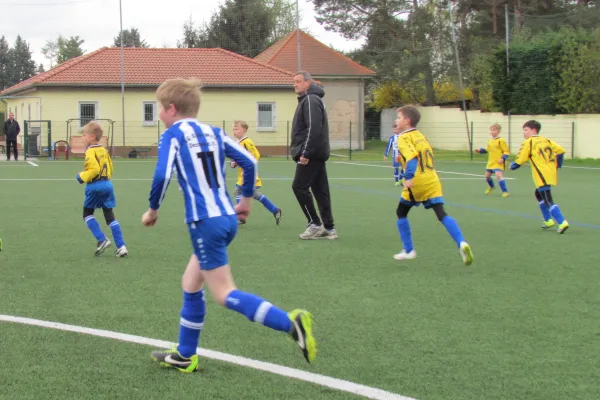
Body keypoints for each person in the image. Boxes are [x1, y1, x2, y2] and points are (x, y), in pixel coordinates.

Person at [143, 78, 316, 372]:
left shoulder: (173, 135)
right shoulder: (213, 132)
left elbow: (162, 176)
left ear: (171, 109)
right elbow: (249, 161)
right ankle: (185, 354)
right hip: (226, 217)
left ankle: (290, 323)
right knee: (191, 282)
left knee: (223, 293)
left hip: (205, 222)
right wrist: (246, 202)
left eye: (160, 109)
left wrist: (153, 209)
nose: (159, 115)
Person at [393, 105, 474, 266]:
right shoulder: (421, 136)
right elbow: (421, 155)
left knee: (401, 212)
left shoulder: (403, 137)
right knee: (441, 213)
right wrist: (401, 159)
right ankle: (461, 243)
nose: (396, 121)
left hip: (417, 180)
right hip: (432, 179)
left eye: (399, 118)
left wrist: (408, 176)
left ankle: (409, 250)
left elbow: (413, 159)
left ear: (407, 121)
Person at [290, 71, 336, 240]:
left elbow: (314, 128)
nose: (295, 84)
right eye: (294, 82)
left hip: (311, 153)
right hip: (317, 153)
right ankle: (329, 228)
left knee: (299, 187)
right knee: (320, 190)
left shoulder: (310, 100)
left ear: (308, 83)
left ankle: (314, 223)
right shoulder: (311, 100)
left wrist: (305, 152)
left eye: (298, 81)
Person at [76, 121, 128, 257]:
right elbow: (110, 167)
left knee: (87, 214)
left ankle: (102, 239)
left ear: (92, 137)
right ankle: (121, 246)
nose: (82, 137)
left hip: (95, 186)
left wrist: (82, 176)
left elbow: (94, 169)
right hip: (107, 184)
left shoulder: (90, 151)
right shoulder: (104, 150)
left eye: (84, 135)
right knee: (110, 216)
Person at [510, 120, 569, 233]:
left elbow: (520, 159)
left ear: (533, 130)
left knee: (547, 199)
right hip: (550, 172)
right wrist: (558, 165)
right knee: (538, 194)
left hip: (541, 173)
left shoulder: (529, 142)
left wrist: (513, 166)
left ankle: (562, 222)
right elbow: (561, 151)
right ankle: (548, 220)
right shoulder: (546, 140)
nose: (524, 133)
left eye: (526, 130)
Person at [230, 120, 282, 226]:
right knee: (254, 195)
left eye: (236, 129)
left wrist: (244, 163)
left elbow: (255, 155)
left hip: (247, 175)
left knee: (237, 192)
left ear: (244, 130)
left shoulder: (247, 142)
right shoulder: (238, 142)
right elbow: (239, 157)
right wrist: (234, 162)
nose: (234, 131)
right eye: (233, 129)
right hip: (243, 175)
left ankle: (240, 217)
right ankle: (275, 210)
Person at [474, 123, 510, 197]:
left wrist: (503, 158)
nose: (492, 132)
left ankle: (505, 191)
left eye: (494, 130)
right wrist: (480, 150)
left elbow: (506, 151)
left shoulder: (501, 140)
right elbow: (487, 150)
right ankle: (492, 186)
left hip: (498, 162)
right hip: (491, 162)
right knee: (487, 176)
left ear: (498, 131)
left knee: (498, 175)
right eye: (491, 130)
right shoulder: (490, 140)